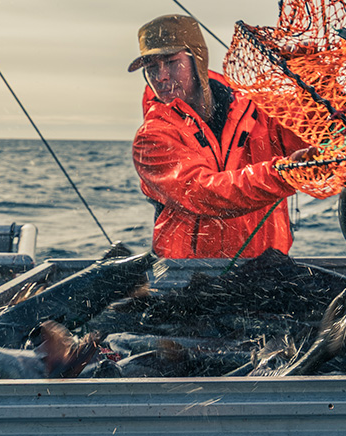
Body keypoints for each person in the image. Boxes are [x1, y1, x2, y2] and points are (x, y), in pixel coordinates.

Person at [129, 14, 313, 259]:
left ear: (198, 59)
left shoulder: (257, 110)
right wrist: (282, 174)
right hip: (187, 275)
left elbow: (312, 136)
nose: (161, 77)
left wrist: (313, 77)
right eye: (152, 67)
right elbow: (204, 193)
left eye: (172, 62)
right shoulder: (151, 137)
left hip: (267, 267)